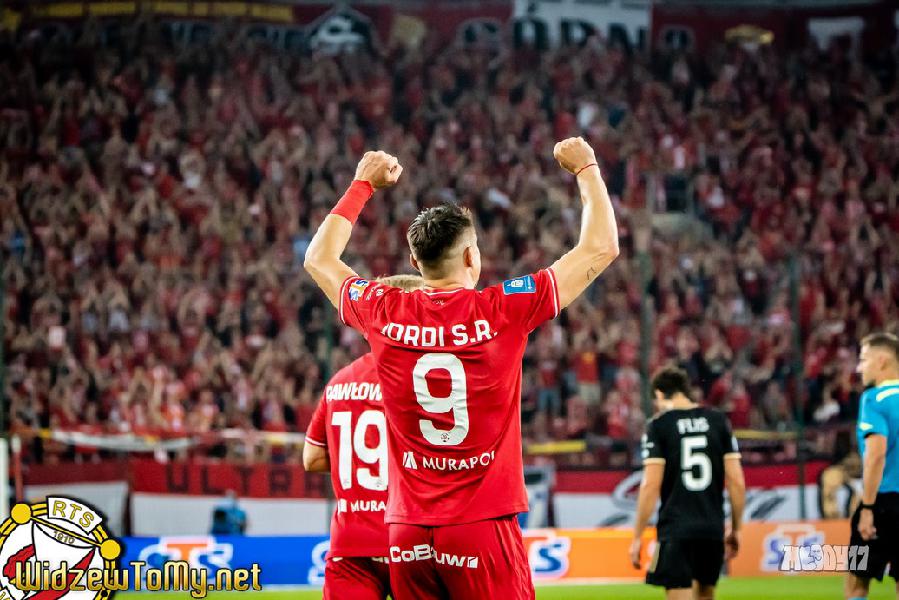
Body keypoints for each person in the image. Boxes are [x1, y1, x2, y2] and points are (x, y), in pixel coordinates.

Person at [303, 138, 619, 599]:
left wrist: (361, 185)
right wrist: (586, 168)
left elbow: (318, 259)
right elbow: (600, 247)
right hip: (480, 526)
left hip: (407, 533)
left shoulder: (383, 310)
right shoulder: (504, 309)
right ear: (473, 257)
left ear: (415, 263)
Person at [303, 275, 424, 600]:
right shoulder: (422, 380)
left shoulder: (339, 382)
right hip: (409, 541)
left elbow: (312, 458)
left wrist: (358, 461)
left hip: (350, 544)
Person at [629, 366, 746, 600]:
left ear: (660, 394)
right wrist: (736, 529)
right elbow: (736, 482)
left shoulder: (659, 425)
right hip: (712, 530)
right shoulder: (718, 421)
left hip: (676, 529)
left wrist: (637, 535)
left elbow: (650, 485)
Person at [845, 333, 899, 600]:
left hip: (881, 502)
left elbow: (875, 455)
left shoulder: (874, 399)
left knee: (856, 581)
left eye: (863, 359)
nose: (859, 368)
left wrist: (867, 507)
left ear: (882, 361)